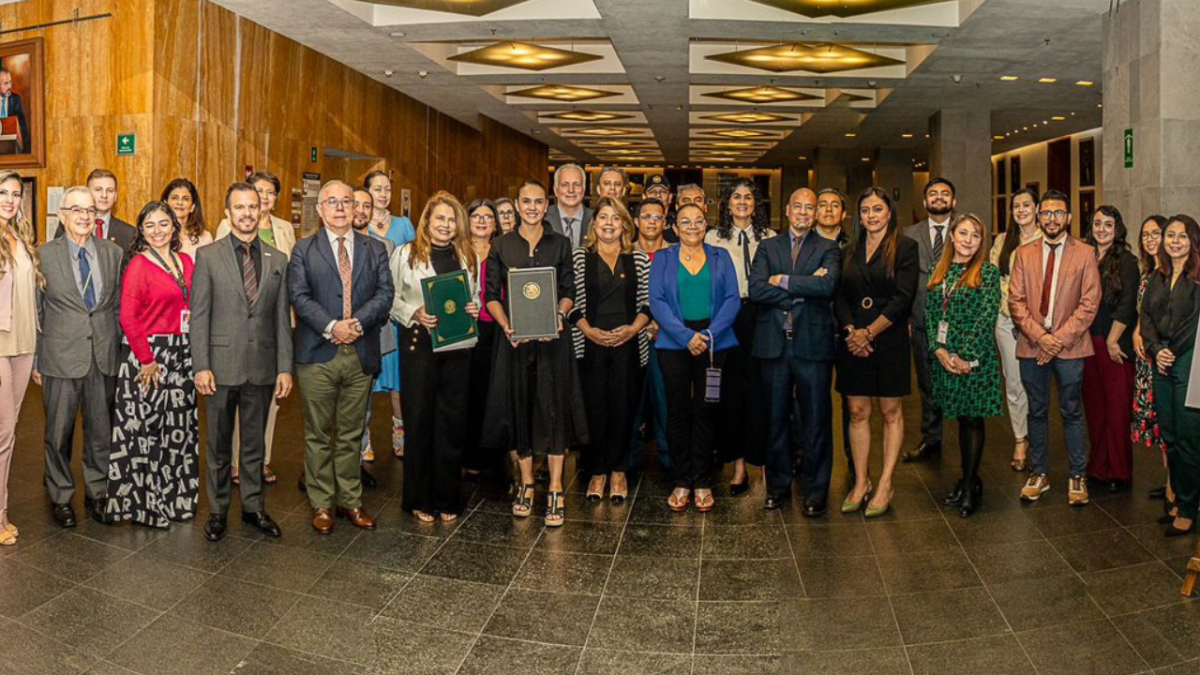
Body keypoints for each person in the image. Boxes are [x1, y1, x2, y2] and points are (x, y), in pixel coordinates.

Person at [289, 180, 394, 534]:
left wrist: (357, 324)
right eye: (331, 201)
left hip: (360, 352)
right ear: (319, 210)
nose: (339, 207)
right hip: (317, 353)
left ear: (356, 209)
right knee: (318, 434)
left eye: (346, 201)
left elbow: (385, 294)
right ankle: (321, 504)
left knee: (352, 434)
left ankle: (351, 500)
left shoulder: (375, 249)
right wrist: (333, 326)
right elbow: (299, 297)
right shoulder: (303, 250)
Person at [481, 179, 587, 527]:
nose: (531, 207)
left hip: (553, 342)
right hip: (513, 342)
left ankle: (555, 487)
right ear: (516, 203)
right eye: (525, 201)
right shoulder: (501, 244)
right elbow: (492, 295)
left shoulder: (560, 244)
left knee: (554, 410)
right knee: (520, 408)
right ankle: (526, 483)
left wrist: (558, 316)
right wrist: (506, 325)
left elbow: (569, 289)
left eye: (538, 202)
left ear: (547, 205)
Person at [192, 183, 293, 542]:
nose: (247, 213)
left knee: (254, 444)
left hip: (262, 367)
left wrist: (284, 367)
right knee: (219, 445)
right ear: (228, 213)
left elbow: (282, 319)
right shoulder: (208, 256)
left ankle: (253, 508)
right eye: (239, 207)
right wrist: (200, 364)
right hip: (219, 366)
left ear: (261, 210)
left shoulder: (277, 259)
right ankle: (218, 510)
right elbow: (199, 316)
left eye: (253, 206)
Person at [748, 188, 841, 516]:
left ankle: (816, 492)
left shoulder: (828, 248)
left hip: (812, 347)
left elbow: (827, 286)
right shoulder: (767, 246)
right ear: (787, 210)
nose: (803, 212)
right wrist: (801, 288)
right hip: (774, 346)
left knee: (816, 423)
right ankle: (777, 487)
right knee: (776, 420)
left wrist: (784, 279)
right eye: (797, 206)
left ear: (816, 214)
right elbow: (756, 288)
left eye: (810, 208)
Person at [107, 201, 199, 528]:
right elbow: (127, 317)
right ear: (141, 231)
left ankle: (177, 500)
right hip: (149, 355)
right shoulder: (138, 266)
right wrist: (146, 359)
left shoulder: (186, 262)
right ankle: (148, 507)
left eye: (163, 224)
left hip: (183, 355)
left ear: (174, 227)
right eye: (150, 225)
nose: (158, 230)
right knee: (148, 433)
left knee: (179, 431)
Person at [35, 187, 122, 529]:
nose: (85, 216)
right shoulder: (43, 255)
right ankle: (60, 495)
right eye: (76, 209)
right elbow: (37, 311)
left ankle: (98, 493)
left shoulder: (113, 253)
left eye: (89, 210)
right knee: (58, 433)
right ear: (62, 215)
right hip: (60, 357)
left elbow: (115, 306)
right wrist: (38, 360)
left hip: (102, 356)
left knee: (101, 432)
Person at [1009, 190, 1101, 506]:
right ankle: (1039, 473)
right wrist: (1041, 337)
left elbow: (1090, 303)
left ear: (1069, 218)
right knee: (1036, 410)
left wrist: (1057, 339)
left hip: (1071, 348)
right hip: (1032, 345)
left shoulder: (1086, 253)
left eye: (1058, 213)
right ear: (1039, 217)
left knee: (1072, 410)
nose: (1052, 219)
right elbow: (1015, 302)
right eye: (1046, 213)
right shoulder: (1023, 253)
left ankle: (1077, 474)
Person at [391, 192, 480, 522]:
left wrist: (475, 307)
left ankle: (447, 498)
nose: (446, 225)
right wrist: (414, 312)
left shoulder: (468, 256)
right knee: (420, 422)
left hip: (458, 348)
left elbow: (475, 297)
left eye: (452, 219)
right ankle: (419, 498)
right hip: (420, 347)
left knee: (451, 425)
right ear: (426, 221)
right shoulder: (406, 254)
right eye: (439, 218)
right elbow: (391, 297)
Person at [833, 188, 919, 518]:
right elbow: (839, 296)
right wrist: (852, 332)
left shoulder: (906, 248)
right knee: (856, 410)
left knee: (890, 411)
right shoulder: (848, 250)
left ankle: (885, 483)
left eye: (878, 209)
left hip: (889, 336)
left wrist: (869, 332)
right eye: (866, 209)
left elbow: (903, 298)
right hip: (853, 337)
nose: (871, 215)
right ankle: (861, 481)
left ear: (889, 213)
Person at [650, 203, 740, 513]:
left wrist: (709, 335)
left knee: (706, 410)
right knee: (677, 412)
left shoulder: (721, 257)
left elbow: (731, 299)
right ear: (674, 228)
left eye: (698, 221)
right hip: (674, 342)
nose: (692, 226)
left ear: (706, 226)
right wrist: (685, 336)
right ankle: (681, 480)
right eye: (685, 222)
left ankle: (702, 481)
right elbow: (657, 301)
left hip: (715, 343)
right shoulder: (662, 258)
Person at [215, 171, 296, 486]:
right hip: (235, 330)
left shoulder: (285, 230)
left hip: (273, 323)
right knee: (236, 399)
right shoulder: (229, 227)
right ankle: (237, 462)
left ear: (275, 198)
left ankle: (262, 459)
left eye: (270, 192)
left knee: (270, 399)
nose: (264, 197)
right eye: (258, 191)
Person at [570, 197, 651, 502]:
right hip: (589, 344)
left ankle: (618, 471)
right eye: (603, 217)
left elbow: (647, 303)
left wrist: (633, 329)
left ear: (624, 225)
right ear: (594, 223)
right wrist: (588, 331)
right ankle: (597, 472)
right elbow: (570, 302)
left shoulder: (639, 259)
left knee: (623, 409)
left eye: (615, 219)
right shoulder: (580, 257)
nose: (608, 224)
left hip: (628, 346)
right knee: (594, 410)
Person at [926, 214, 1003, 518]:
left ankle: (970, 486)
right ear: (952, 237)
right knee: (958, 418)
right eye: (964, 234)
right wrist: (939, 350)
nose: (969, 240)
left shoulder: (987, 272)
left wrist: (964, 356)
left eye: (975, 235)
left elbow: (987, 318)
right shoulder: (937, 271)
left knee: (973, 420)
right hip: (946, 360)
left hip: (975, 362)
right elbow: (931, 315)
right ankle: (968, 478)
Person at [706, 177, 773, 494]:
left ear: (756, 204)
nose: (742, 201)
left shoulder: (771, 238)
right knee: (730, 392)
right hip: (726, 319)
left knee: (760, 391)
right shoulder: (712, 238)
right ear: (727, 203)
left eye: (748, 196)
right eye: (736, 196)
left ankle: (764, 462)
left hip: (761, 317)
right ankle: (739, 465)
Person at [1141, 215, 1200, 536]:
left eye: (1182, 236)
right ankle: (1177, 497)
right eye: (1170, 235)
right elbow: (1146, 315)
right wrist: (1153, 348)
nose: (1175, 241)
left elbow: (1192, 324)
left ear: (1193, 241)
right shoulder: (1158, 276)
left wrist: (1169, 351)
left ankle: (1190, 508)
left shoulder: (1197, 278)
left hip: (1187, 360)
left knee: (1189, 436)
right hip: (1160, 358)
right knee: (1170, 434)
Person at [1082, 206, 1141, 493]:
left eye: (1108, 224)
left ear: (1117, 228)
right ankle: (1098, 466)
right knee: (1095, 408)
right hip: (1086, 342)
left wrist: (1112, 340)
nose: (1102, 229)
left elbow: (1127, 305)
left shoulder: (1127, 261)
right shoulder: (1083, 255)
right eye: (1097, 223)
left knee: (1117, 411)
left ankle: (1118, 470)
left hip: (1114, 343)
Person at [902, 178, 956, 463]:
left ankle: (967, 440)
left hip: (959, 323)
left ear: (953, 201)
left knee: (961, 382)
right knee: (927, 383)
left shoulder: (965, 230)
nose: (938, 198)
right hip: (921, 319)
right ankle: (931, 439)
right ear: (924, 202)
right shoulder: (909, 234)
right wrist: (908, 318)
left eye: (944, 194)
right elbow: (905, 280)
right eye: (933, 194)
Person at [989, 188, 1041, 472]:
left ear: (1036, 208)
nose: (1021, 210)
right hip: (1006, 321)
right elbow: (993, 278)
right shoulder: (1002, 241)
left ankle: (1039, 437)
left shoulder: (1047, 239)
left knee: (1036, 382)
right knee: (1014, 382)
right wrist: (1010, 305)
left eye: (1026, 204)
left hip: (1037, 324)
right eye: (1016, 206)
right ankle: (1020, 439)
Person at [364, 170, 415, 459]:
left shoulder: (404, 225)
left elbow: (418, 260)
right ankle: (364, 438)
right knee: (367, 381)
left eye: (387, 189)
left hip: (399, 314)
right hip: (371, 315)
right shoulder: (358, 225)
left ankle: (400, 433)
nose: (383, 194)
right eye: (377, 189)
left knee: (399, 380)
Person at [0, 171, 38, 545]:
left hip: (25, 344)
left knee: (8, 436)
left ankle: (2, 510)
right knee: (3, 432)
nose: (10, 200)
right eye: (3, 193)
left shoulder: (21, 237)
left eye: (15, 194)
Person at [352, 187, 395, 474]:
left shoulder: (384, 247)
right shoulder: (318, 245)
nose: (361, 211)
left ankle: (359, 452)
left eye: (367, 206)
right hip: (330, 339)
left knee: (364, 401)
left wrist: (360, 321)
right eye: (355, 204)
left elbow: (386, 292)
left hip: (369, 334)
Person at [628, 198, 671, 471]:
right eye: (646, 216)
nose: (652, 221)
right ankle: (627, 462)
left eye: (658, 217)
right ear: (636, 221)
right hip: (630, 340)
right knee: (631, 402)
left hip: (665, 340)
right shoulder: (623, 253)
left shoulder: (676, 253)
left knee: (665, 403)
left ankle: (671, 461)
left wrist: (660, 325)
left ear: (665, 223)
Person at [1133, 216, 1170, 501]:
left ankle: (1177, 485)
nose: (1150, 239)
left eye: (1155, 233)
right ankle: (1171, 479)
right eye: (1145, 234)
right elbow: (1142, 312)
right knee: (1159, 421)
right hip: (1146, 356)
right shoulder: (1147, 271)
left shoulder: (1173, 272)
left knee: (1171, 421)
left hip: (1163, 354)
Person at [816, 187, 853, 471]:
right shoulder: (801, 246)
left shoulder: (853, 248)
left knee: (852, 401)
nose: (828, 210)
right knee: (811, 399)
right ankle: (807, 454)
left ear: (844, 214)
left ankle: (854, 456)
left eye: (834, 206)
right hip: (812, 330)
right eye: (823, 204)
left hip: (848, 332)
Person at [464, 199, 499, 477]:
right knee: (464, 392)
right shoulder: (456, 251)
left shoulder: (502, 252)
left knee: (487, 392)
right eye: (476, 215)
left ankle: (486, 454)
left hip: (492, 330)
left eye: (488, 216)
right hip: (461, 329)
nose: (482, 221)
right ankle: (464, 453)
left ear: (495, 224)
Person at [81, 169, 137, 250]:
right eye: (98, 189)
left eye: (110, 191)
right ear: (87, 193)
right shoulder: (70, 226)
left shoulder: (129, 233)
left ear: (115, 196)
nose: (104, 195)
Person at [162, 178, 213, 260]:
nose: (180, 202)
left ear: (192, 207)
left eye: (185, 199)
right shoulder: (157, 234)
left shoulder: (205, 238)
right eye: (174, 198)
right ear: (165, 203)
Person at [545, 164, 593, 248]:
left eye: (577, 184)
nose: (571, 190)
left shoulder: (596, 219)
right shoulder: (543, 217)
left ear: (583, 190)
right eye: (565, 185)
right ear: (555, 190)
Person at [0, 68, 29, 153]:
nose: (9, 86)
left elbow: (24, 128)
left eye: (10, 82)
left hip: (12, 150)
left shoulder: (16, 99)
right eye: (5, 83)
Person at [643, 174, 677, 242]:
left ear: (670, 197)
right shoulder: (635, 226)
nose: (658, 195)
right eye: (652, 192)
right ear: (644, 197)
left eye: (663, 192)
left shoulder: (677, 224)